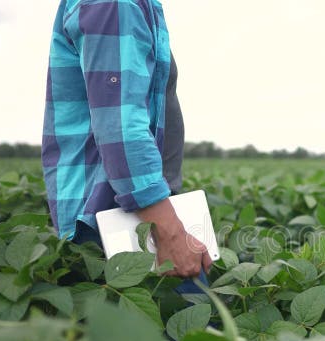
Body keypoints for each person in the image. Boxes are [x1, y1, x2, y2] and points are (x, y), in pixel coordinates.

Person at [41, 0, 212, 284]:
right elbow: (119, 127)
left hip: (135, 211)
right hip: (119, 219)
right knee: (190, 323)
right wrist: (169, 231)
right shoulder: (115, 4)